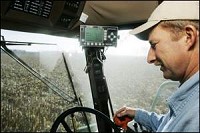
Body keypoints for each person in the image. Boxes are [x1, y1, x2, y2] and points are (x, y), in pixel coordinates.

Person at [114, 1, 199, 132]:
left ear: (188, 37)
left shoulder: (195, 115)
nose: (150, 58)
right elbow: (169, 124)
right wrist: (136, 114)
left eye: (154, 45)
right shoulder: (190, 100)